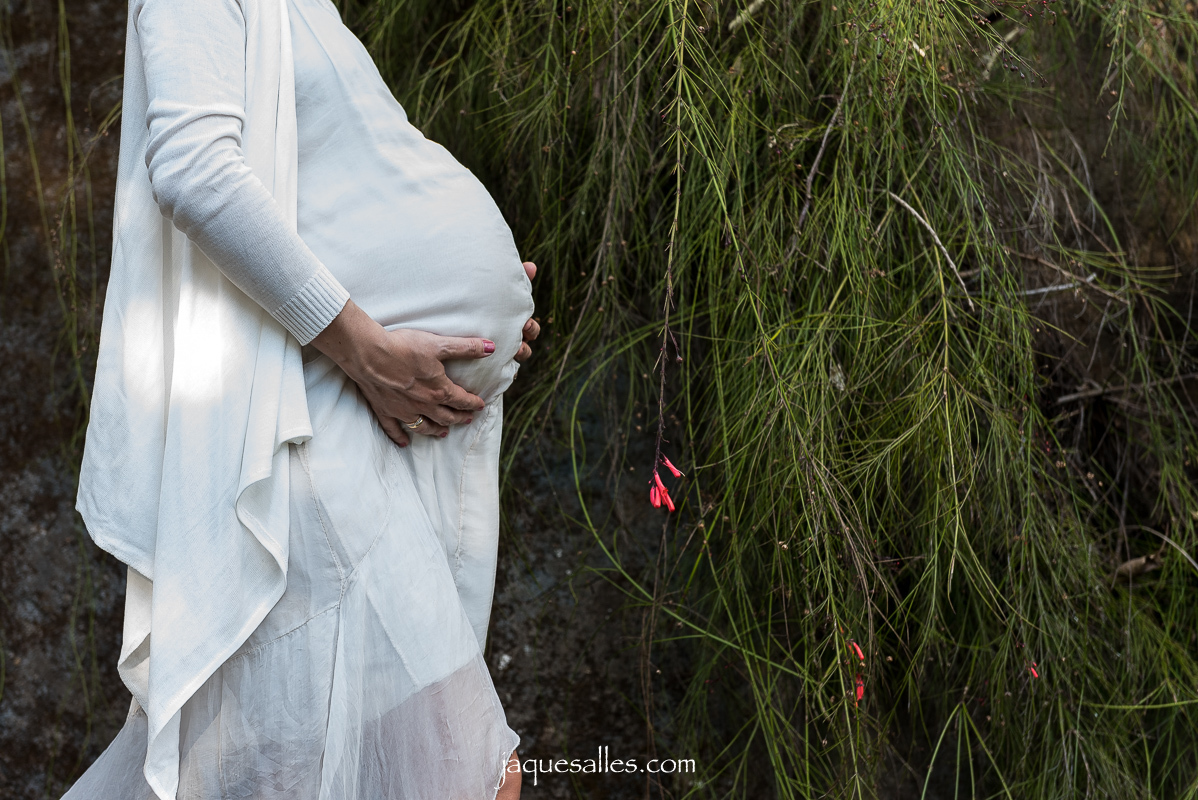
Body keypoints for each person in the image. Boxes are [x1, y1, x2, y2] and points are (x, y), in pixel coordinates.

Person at [66, 0, 537, 797]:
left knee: (298, 770)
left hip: (344, 424)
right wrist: (370, 344)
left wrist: (471, 303)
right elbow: (195, 170)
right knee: (471, 774)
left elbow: (330, 194)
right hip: (295, 436)